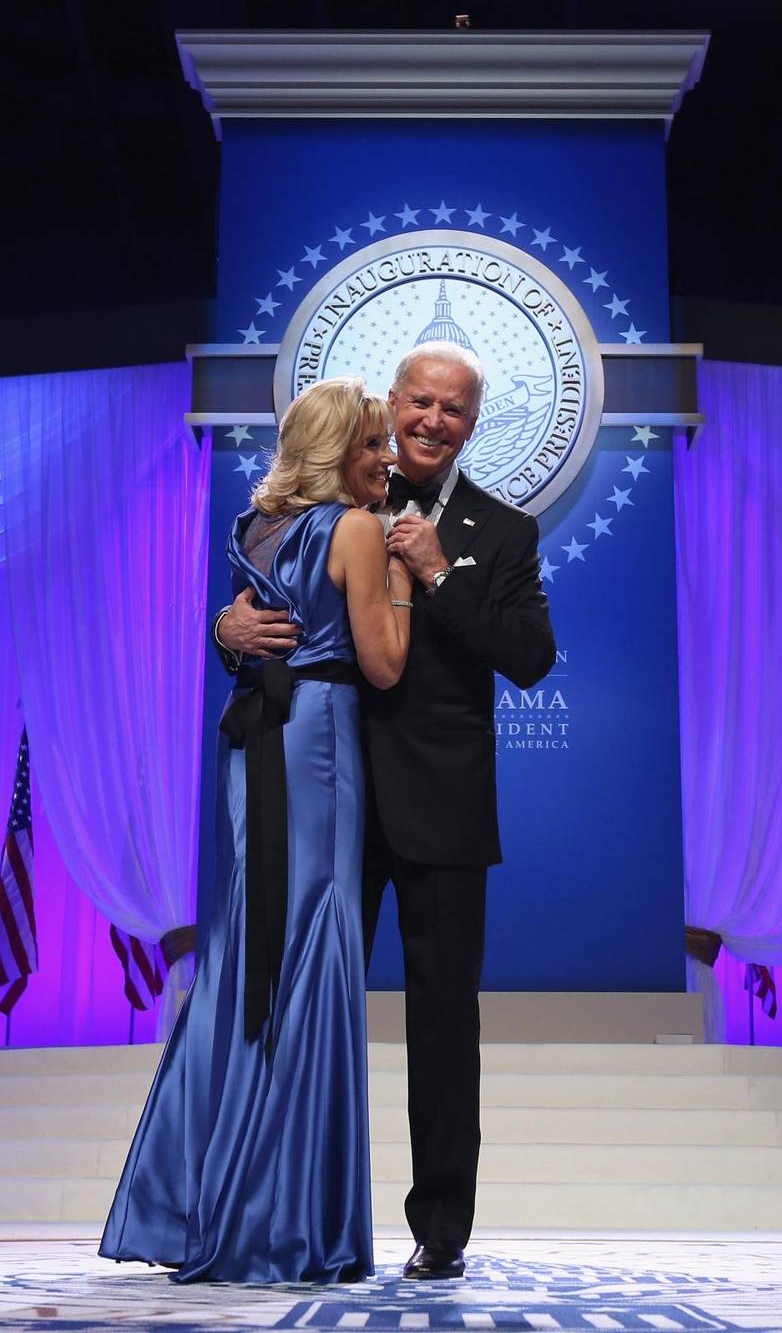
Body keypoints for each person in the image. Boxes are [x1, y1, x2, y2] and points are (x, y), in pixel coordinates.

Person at [217, 343, 557, 1280]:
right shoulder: (346, 499)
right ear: (395, 402)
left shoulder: (505, 530)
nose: (431, 421)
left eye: (453, 409)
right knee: (300, 999)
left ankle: (440, 1229)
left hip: (443, 810)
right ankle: (285, 1207)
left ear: (472, 425)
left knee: (443, 1022)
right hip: (331, 797)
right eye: (419, 402)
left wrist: (442, 573)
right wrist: (226, 631)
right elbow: (269, 604)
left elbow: (530, 657)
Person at [100, 377, 414, 1284]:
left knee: (253, 945)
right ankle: (280, 1218)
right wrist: (398, 573)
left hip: (255, 742)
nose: (385, 459)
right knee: (310, 939)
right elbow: (385, 665)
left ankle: (207, 1193)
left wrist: (224, 630)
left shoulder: (254, 532)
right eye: (371, 445)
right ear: (333, 451)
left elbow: (251, 628)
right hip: (313, 742)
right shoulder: (356, 528)